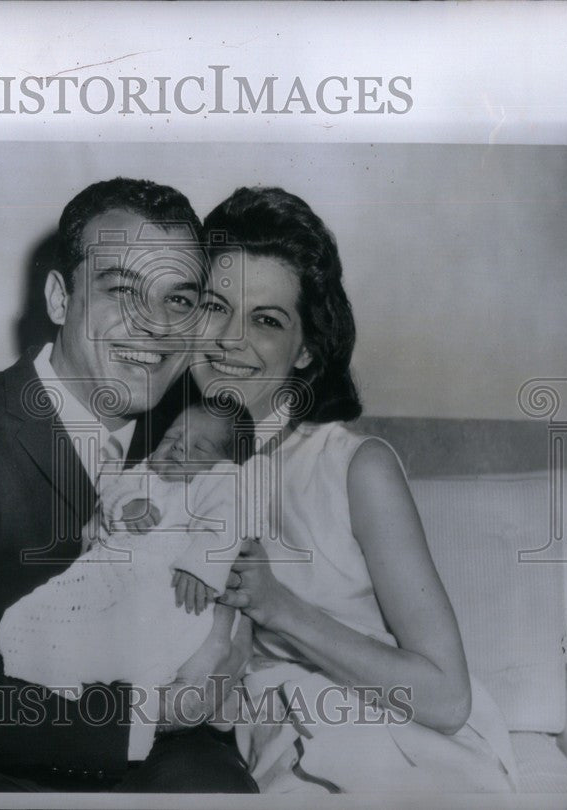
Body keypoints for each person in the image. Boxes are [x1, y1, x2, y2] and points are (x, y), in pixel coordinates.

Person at [0, 178, 256, 793]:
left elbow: (230, 593)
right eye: (123, 290)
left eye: (179, 301)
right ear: (60, 298)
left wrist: (227, 635)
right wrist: (157, 714)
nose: (155, 327)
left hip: (167, 764)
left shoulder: (199, 437)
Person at [189, 186, 519, 794]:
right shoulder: (164, 464)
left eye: (266, 319)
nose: (230, 340)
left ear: (308, 348)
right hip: (275, 749)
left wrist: (279, 607)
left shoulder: (356, 468)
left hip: (400, 748)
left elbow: (447, 697)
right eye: (214, 307)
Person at [0, 401, 257, 695]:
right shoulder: (144, 472)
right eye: (172, 437)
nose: (179, 448)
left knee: (126, 636)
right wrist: (127, 502)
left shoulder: (220, 480)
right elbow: (111, 491)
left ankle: (85, 672)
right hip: (110, 571)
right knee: (40, 609)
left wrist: (200, 568)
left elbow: (227, 520)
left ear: (229, 463)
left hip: (171, 586)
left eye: (200, 448)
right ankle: (47, 660)